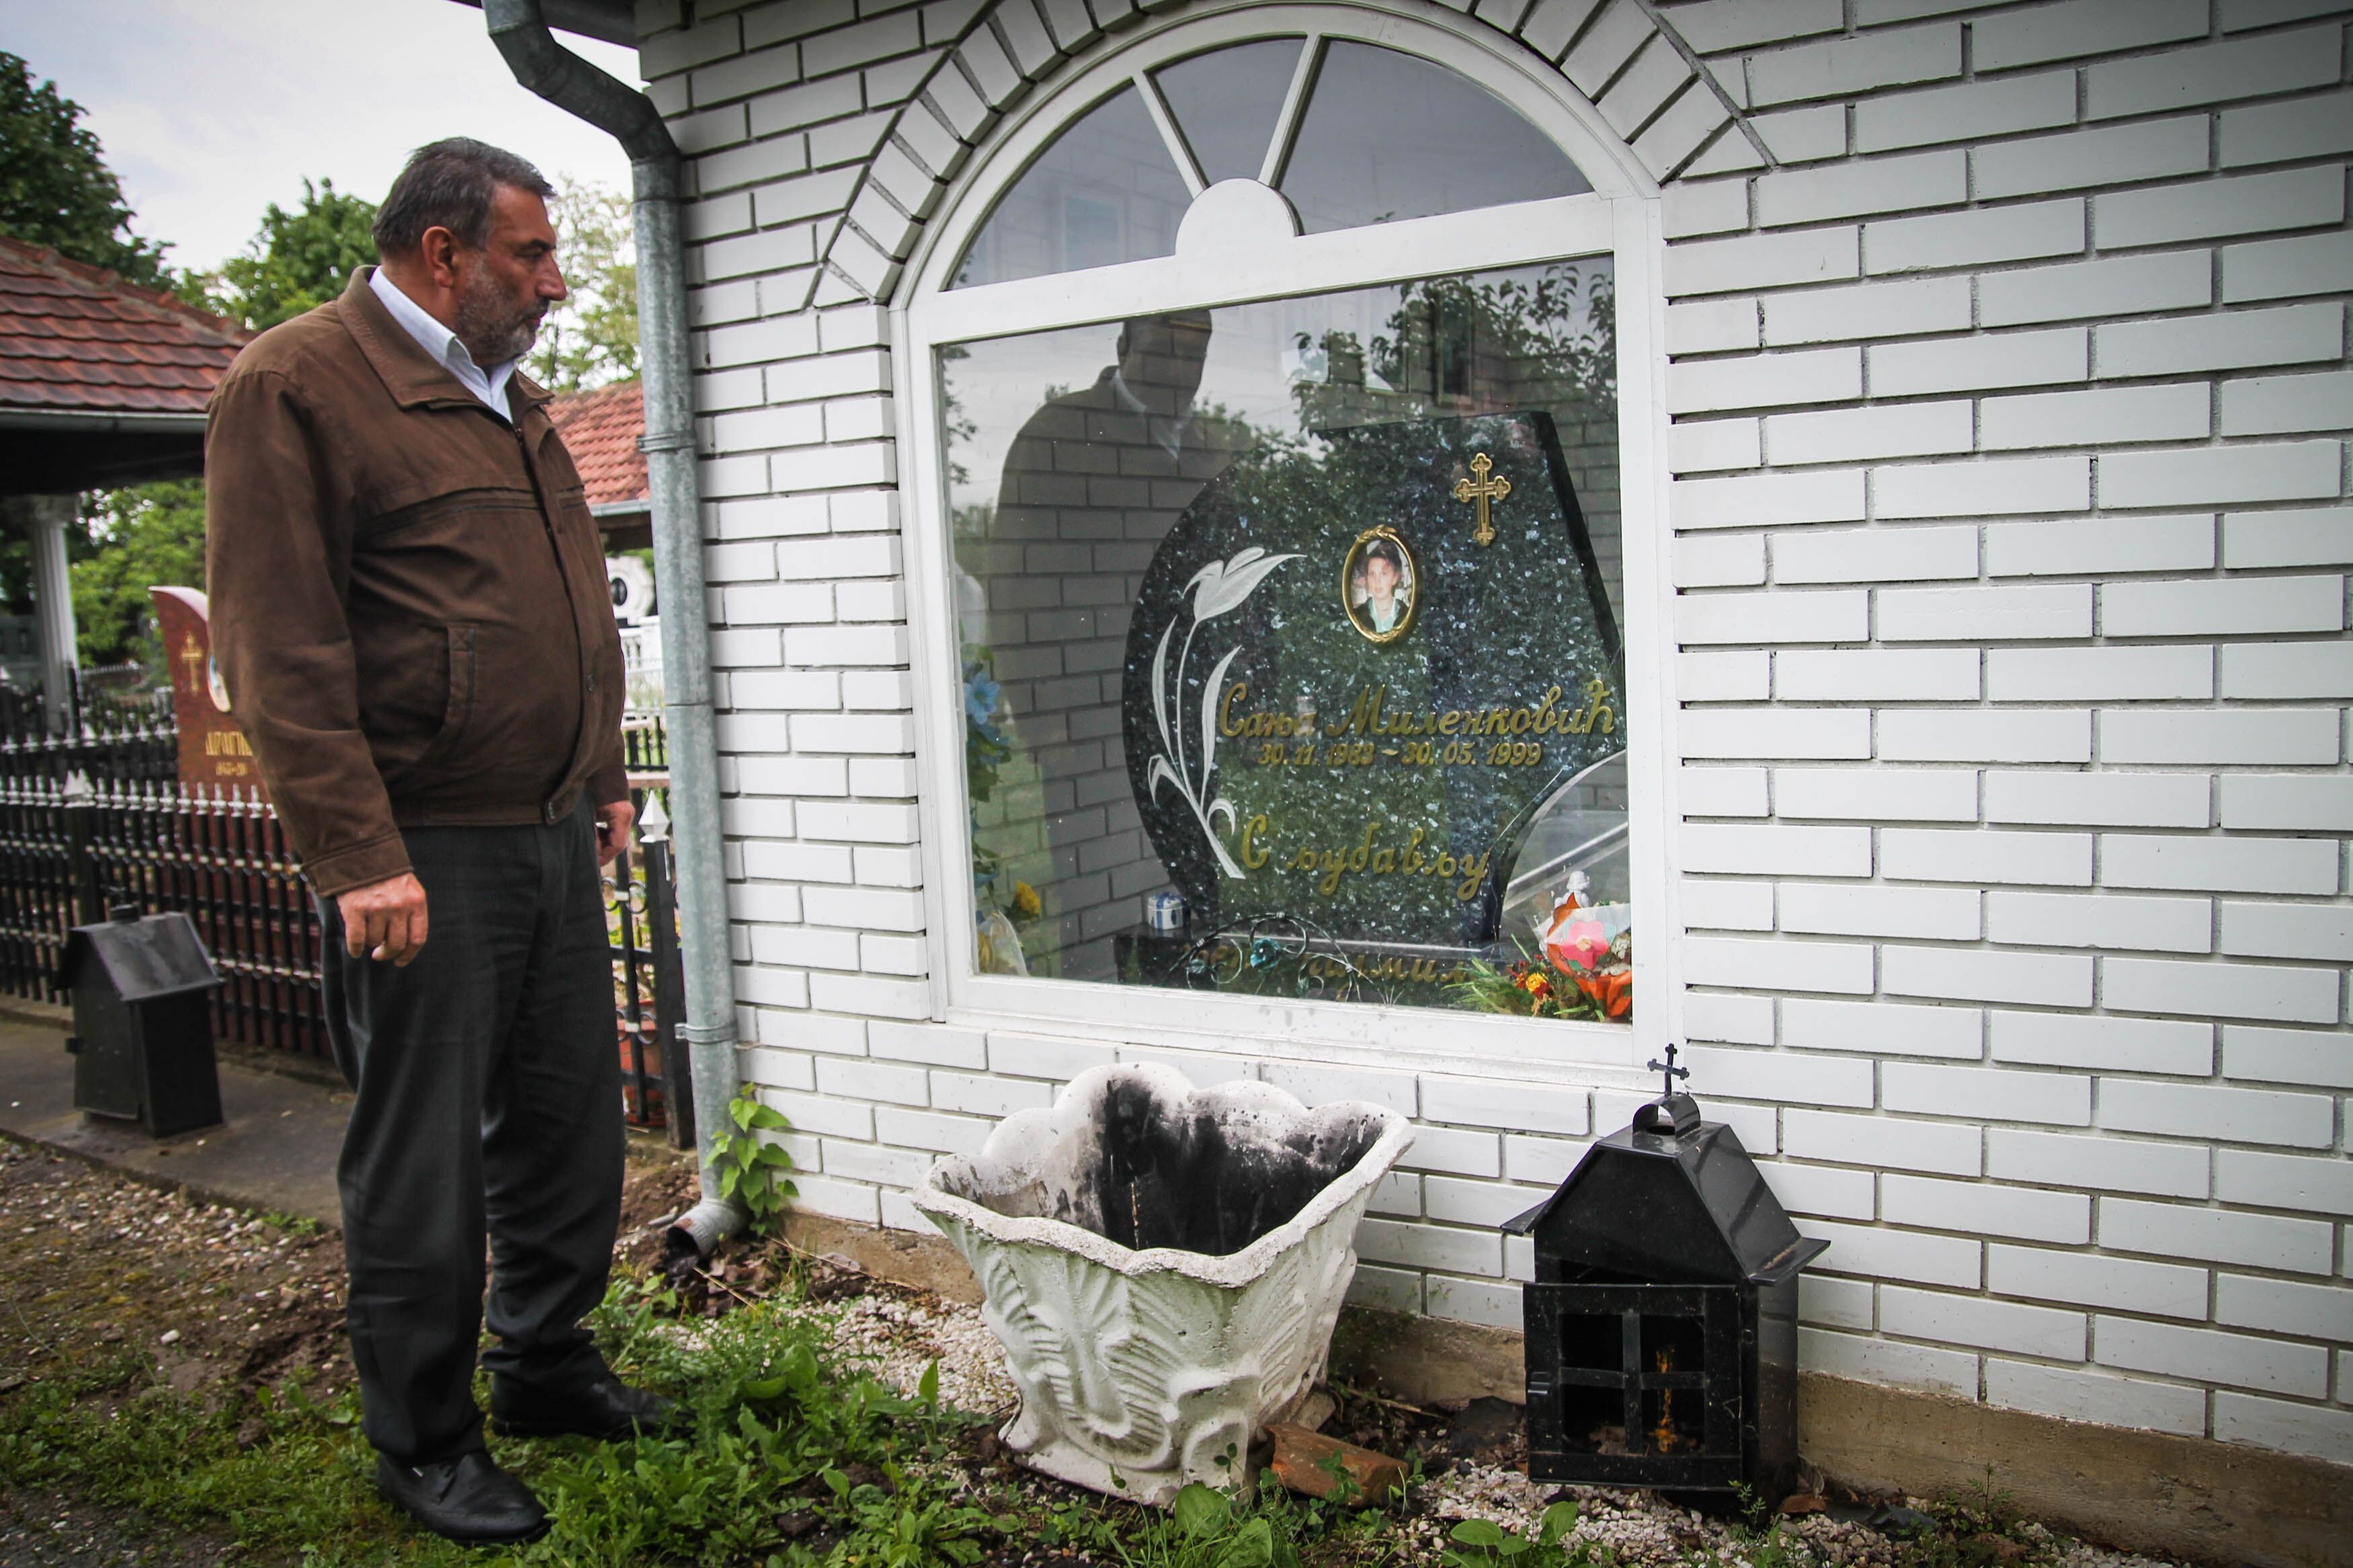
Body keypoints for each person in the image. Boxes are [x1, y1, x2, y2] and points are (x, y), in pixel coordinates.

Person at [204, 138, 664, 1546]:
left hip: (538, 831)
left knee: (568, 1123)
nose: (553, 277)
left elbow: (568, 607)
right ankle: (424, 1431)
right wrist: (358, 854)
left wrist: (597, 772)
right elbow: (275, 644)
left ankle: (543, 1359)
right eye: (530, 253)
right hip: (421, 852)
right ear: (442, 251)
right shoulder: (296, 384)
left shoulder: (509, 402)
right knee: (421, 1158)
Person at [1353, 537, 1411, 634]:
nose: (1377, 581)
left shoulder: (1407, 615)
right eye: (1372, 574)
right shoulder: (1357, 616)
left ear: (1395, 577)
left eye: (1383, 574)